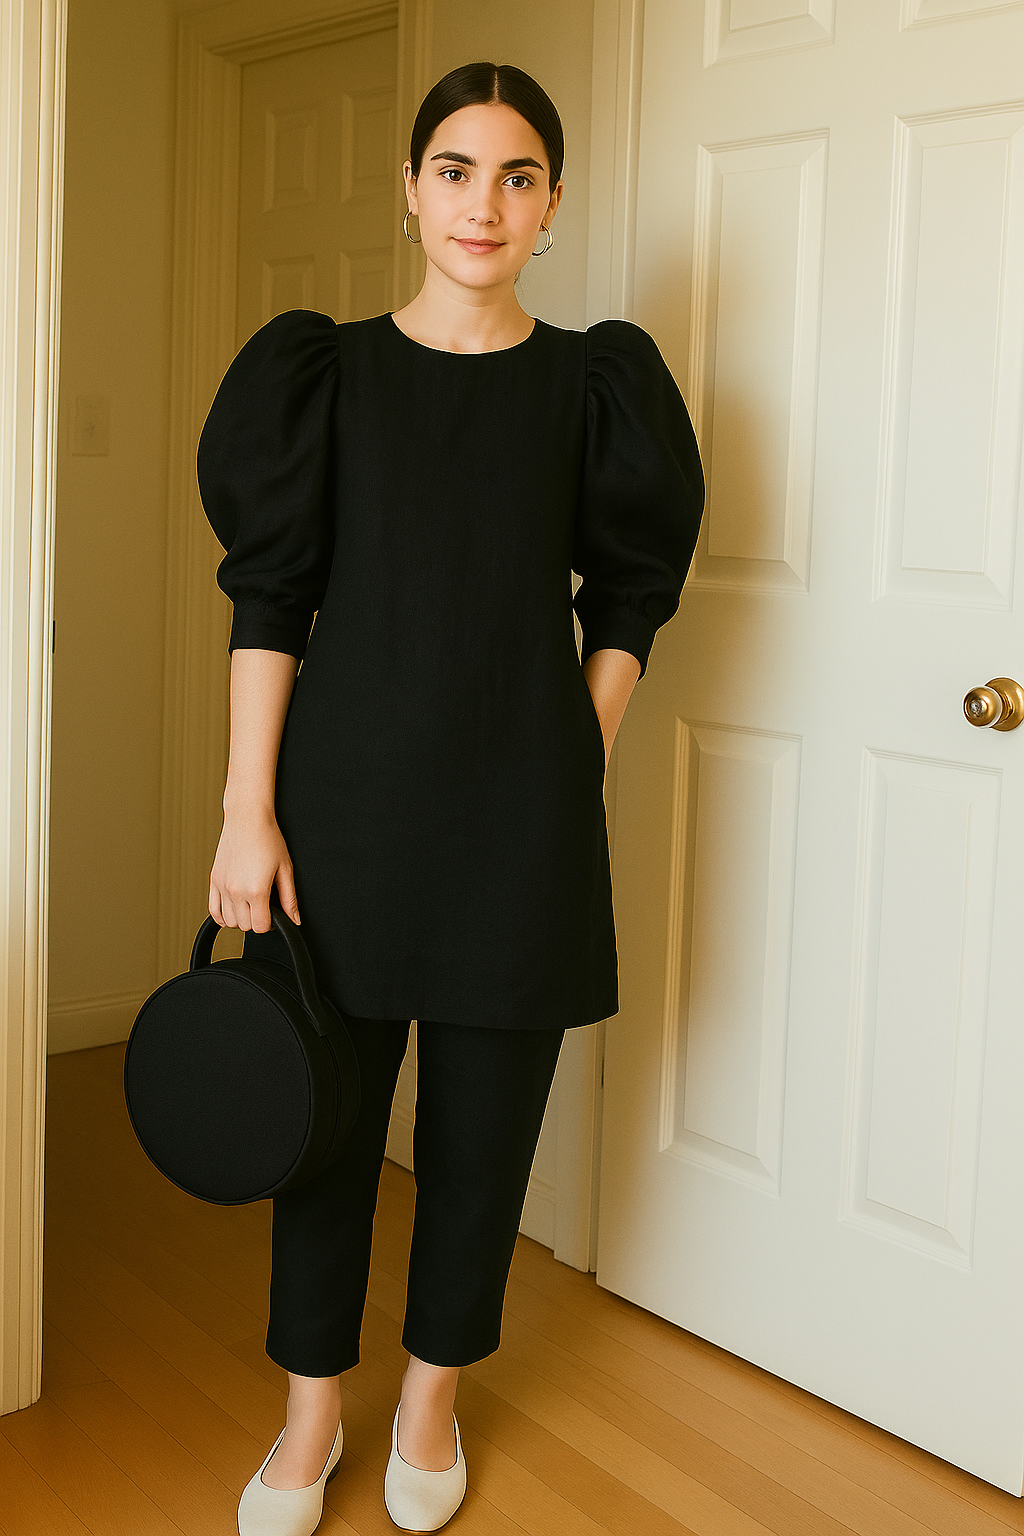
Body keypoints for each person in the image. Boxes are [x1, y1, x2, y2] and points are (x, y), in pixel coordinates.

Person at [197, 58, 704, 1536]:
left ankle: (431, 1400)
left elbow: (631, 589)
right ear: (411, 192)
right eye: (457, 170)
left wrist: (574, 746)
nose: (485, 203)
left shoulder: (593, 385)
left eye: (518, 176)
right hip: (337, 821)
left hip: (517, 832)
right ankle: (310, 1417)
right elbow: (270, 600)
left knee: (484, 1140)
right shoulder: (325, 374)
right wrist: (247, 810)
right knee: (325, 1131)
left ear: (553, 204)